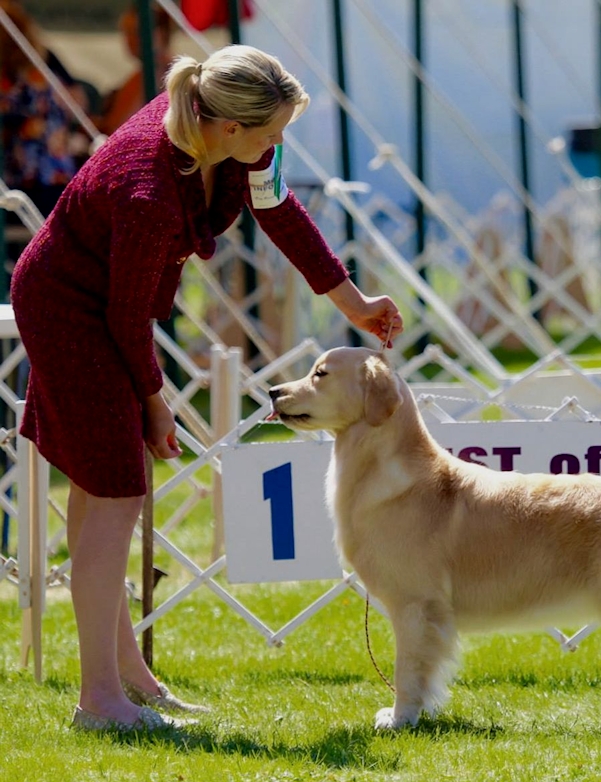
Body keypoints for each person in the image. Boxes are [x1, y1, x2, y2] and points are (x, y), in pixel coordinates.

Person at [10, 44, 404, 733]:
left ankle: (130, 681)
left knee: (107, 489)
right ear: (228, 128)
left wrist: (353, 302)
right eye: (273, 135)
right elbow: (125, 319)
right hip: (70, 309)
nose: (276, 146)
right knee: (117, 491)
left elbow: (278, 210)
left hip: (102, 305)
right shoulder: (148, 194)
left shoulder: (221, 129)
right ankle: (98, 701)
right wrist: (156, 400)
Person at [0, 0, 91, 218]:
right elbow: (80, 104)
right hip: (62, 181)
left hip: (31, 184)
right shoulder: (51, 77)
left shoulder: (16, 87)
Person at [97, 2, 174, 136]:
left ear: (159, 34)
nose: (129, 39)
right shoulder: (161, 69)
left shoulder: (155, 72)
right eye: (126, 31)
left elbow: (117, 128)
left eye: (136, 32)